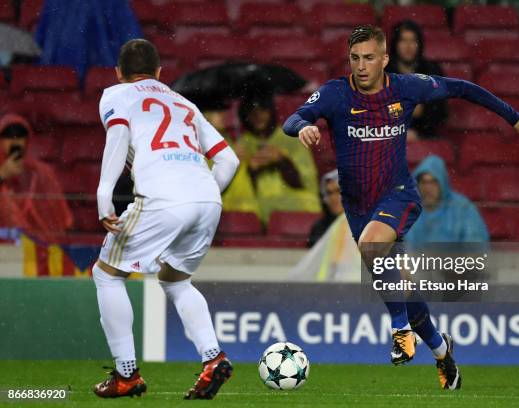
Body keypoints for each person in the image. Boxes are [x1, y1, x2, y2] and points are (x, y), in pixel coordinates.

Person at [283, 25, 519, 390]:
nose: (361, 66)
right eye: (355, 58)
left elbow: (463, 88)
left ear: (385, 58)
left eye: (369, 57)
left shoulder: (406, 87)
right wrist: (304, 126)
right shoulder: (335, 94)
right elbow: (291, 119)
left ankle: (400, 331)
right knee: (398, 284)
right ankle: (440, 350)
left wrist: (513, 116)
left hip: (399, 194)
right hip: (358, 205)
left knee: (373, 247)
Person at [92, 39, 239, 400]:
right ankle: (212, 357)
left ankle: (126, 375)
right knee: (175, 281)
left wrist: (104, 194)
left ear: (118, 73)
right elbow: (229, 161)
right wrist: (202, 193)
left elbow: (119, 133)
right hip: (207, 197)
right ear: (160, 73)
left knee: (107, 274)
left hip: (161, 196)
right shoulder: (183, 102)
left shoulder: (117, 94)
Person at [225, 95, 320, 224]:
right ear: (245, 116)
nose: (258, 116)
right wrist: (250, 169)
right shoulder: (241, 146)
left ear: (271, 111)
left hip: (289, 204)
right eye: (252, 112)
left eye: (263, 110)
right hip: (254, 208)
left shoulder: (291, 139)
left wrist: (282, 161)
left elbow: (307, 184)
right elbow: (235, 192)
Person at [0, 113, 73, 242]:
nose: (15, 140)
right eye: (8, 136)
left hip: (39, 249)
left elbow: (59, 218)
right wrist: (2, 175)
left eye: (20, 135)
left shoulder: (42, 173)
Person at [404, 155, 489, 245]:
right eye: (424, 182)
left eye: (434, 182)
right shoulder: (407, 210)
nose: (427, 188)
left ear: (443, 182)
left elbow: (476, 246)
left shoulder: (463, 208)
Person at [386, 20, 448, 140]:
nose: (408, 46)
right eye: (403, 41)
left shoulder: (432, 71)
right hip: (388, 137)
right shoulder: (383, 72)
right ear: (395, 44)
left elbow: (440, 110)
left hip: (425, 136)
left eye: (413, 41)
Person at [308, 169, 344, 247]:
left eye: (338, 191)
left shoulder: (368, 227)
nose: (333, 198)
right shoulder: (320, 228)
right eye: (329, 193)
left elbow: (373, 258)